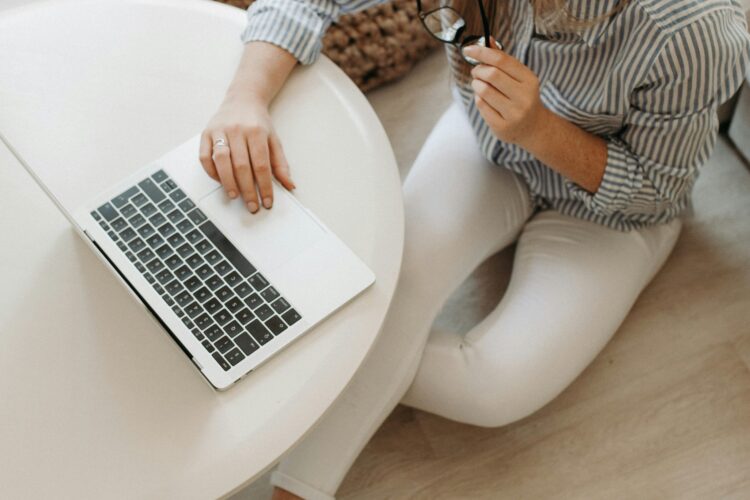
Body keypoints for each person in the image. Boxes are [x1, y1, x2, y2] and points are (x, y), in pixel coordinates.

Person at [200, 0, 750, 498]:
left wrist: (538, 128)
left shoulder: (694, 30)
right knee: (386, 294)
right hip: (484, 145)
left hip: (611, 213)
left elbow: (658, 189)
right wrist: (244, 97)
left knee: (492, 387)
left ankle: (314, 352)